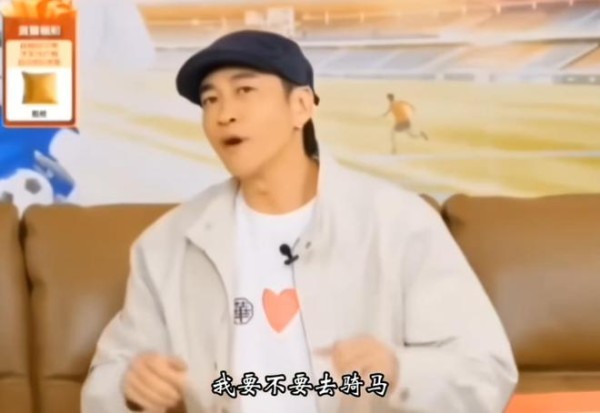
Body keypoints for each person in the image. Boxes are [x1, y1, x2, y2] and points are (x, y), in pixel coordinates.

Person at [80, 30, 518, 413]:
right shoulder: (168, 244)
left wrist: (398, 371)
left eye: (245, 91)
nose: (224, 113)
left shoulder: (398, 224)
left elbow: (487, 372)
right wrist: (130, 389)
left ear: (302, 106)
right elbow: (104, 385)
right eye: (210, 99)